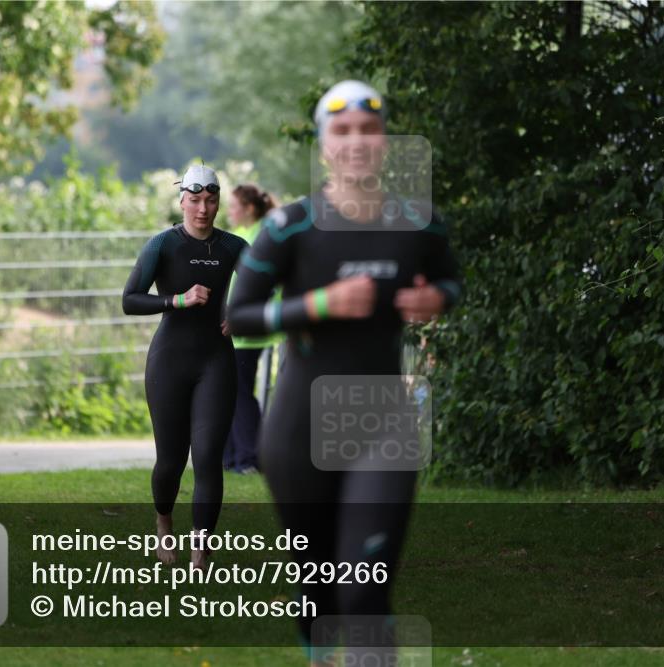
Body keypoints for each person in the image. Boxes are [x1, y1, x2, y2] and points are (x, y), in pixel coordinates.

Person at [227, 80, 462, 665]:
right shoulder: (291, 228)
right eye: (343, 131)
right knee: (317, 591)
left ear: (385, 141)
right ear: (324, 144)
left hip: (382, 422)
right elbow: (239, 315)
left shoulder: (421, 224)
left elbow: (451, 283)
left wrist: (438, 299)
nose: (357, 142)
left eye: (368, 130)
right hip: (298, 429)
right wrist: (320, 305)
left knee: (364, 587)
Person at [122, 163, 248, 570]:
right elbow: (130, 300)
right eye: (195, 201)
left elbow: (267, 289)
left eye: (210, 201)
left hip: (216, 360)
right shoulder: (163, 245)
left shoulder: (234, 247)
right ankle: (163, 521)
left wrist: (243, 312)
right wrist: (176, 300)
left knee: (208, 456)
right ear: (182, 201)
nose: (203, 209)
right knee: (171, 462)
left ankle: (200, 551)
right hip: (170, 361)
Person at [222, 184, 284, 474]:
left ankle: (249, 457)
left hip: (248, 330)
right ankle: (233, 457)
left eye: (233, 206)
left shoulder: (261, 235)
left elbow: (265, 284)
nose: (228, 212)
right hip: (239, 329)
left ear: (248, 208)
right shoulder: (245, 235)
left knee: (239, 392)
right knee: (232, 391)